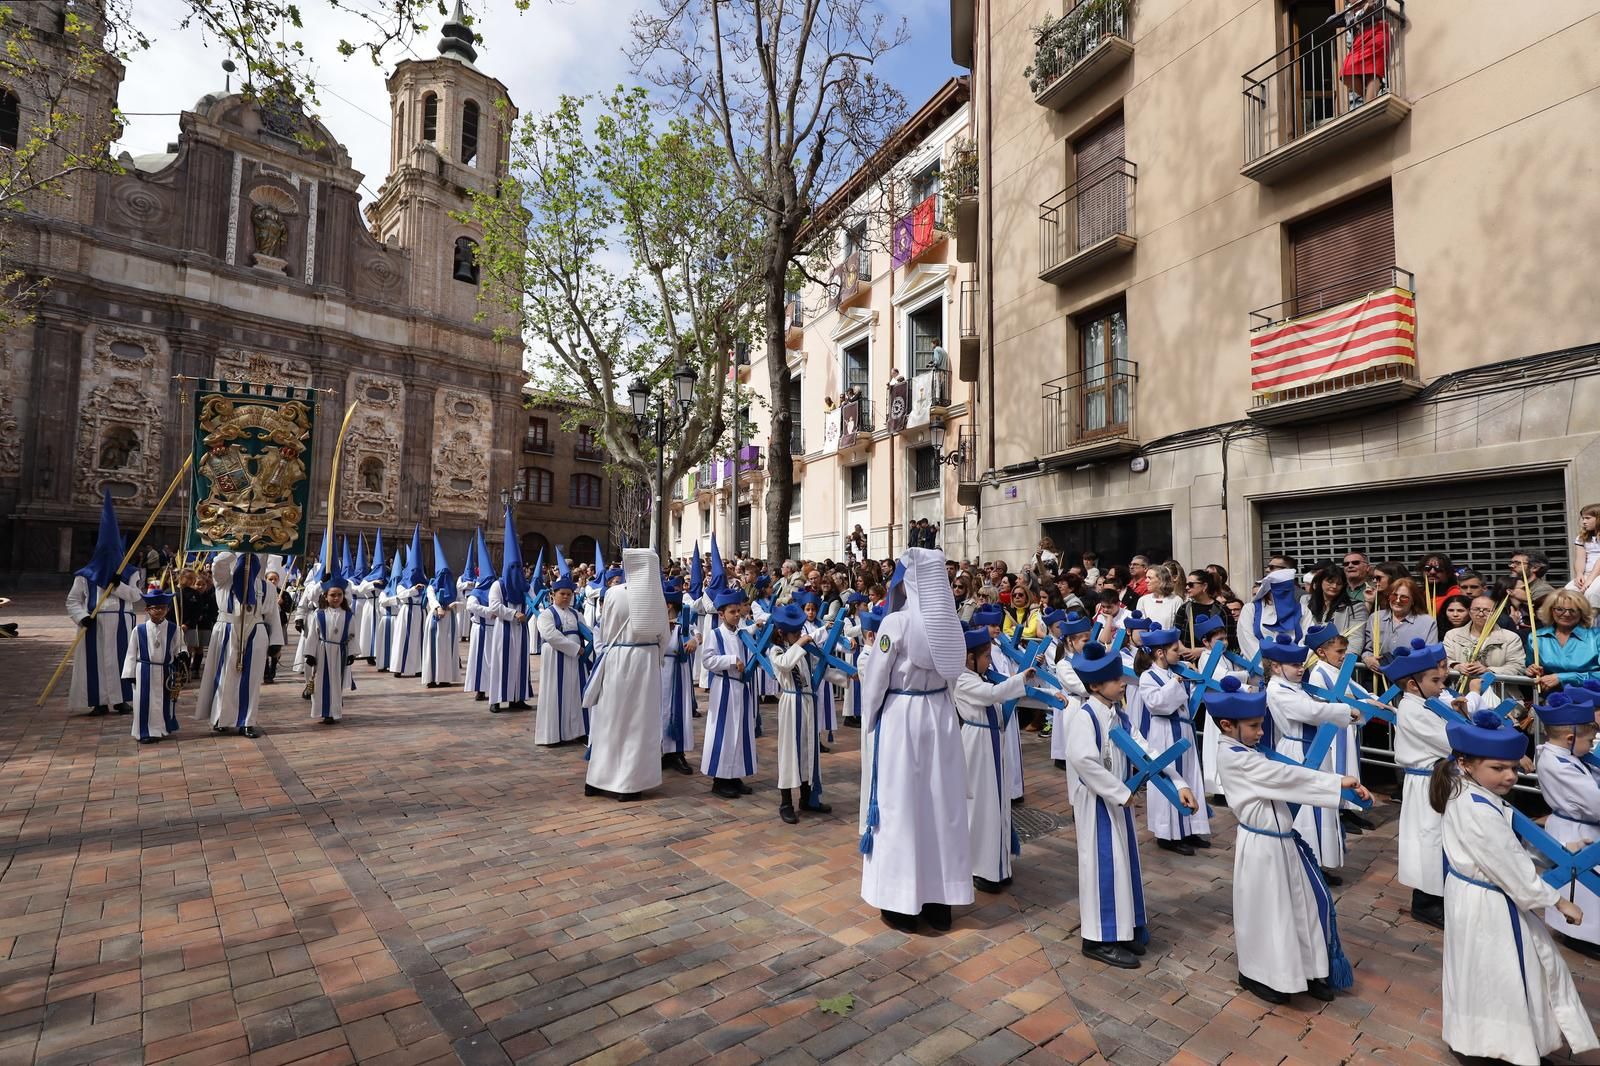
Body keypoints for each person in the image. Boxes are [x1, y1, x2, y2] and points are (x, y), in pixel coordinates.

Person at [1431, 709, 1598, 1064]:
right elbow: (1509, 865)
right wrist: (1558, 902)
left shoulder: (1469, 791)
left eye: (1512, 767)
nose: (1509, 775)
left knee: (1481, 973)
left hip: (1477, 899)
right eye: (1498, 768)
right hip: (1490, 905)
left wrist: (1560, 849)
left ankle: (1483, 1042)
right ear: (1465, 764)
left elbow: (1506, 849)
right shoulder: (1477, 808)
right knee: (1504, 975)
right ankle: (1504, 1050)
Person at [1208, 676, 1367, 1006]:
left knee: (1300, 908)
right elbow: (1284, 776)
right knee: (1269, 914)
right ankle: (1260, 973)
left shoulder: (1248, 749)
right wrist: (1338, 782)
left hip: (1282, 842)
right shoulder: (1235, 756)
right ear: (1227, 725)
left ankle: (1307, 969)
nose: (1261, 732)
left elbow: (1284, 773)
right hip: (1262, 848)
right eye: (1254, 726)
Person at [1063, 641, 1195, 968]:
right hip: (1098, 803)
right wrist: (1119, 792)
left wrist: (1178, 783)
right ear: (1096, 686)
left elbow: (1146, 751)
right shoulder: (1085, 717)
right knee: (1103, 866)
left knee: (1122, 864)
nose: (1123, 683)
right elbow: (1082, 760)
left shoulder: (1118, 715)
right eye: (1115, 679)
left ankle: (1122, 929)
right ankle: (1098, 939)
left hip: (1118, 801)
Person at [858, 548, 971, 935]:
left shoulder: (896, 623)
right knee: (940, 806)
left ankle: (900, 902)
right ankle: (940, 901)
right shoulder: (950, 626)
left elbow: (877, 677)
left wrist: (870, 717)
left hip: (903, 717)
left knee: (901, 805)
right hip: (940, 716)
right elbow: (954, 676)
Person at [1261, 632, 1363, 883]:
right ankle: (1305, 862)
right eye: (1294, 665)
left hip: (1313, 749)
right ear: (1276, 667)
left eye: (1301, 664)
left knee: (1321, 806)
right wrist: (1345, 710)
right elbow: (1309, 711)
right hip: (1297, 751)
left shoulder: (1294, 686)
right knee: (1305, 810)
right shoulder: (1277, 689)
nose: (1300, 669)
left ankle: (1318, 862)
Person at [1379, 638, 1458, 929]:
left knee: (1438, 838)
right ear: (1413, 685)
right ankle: (1426, 902)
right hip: (1426, 785)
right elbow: (1448, 740)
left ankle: (1438, 895)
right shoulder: (1412, 709)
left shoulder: (1424, 705)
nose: (1441, 686)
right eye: (1435, 680)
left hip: (1436, 780)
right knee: (1429, 840)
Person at [583, 550, 669, 803]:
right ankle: (628, 784)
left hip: (617, 659)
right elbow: (664, 637)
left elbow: (605, 631)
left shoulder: (613, 593)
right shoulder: (656, 596)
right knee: (638, 723)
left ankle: (597, 779)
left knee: (610, 719)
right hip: (645, 663)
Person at [956, 626, 1034, 893]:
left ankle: (998, 865)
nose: (990, 662)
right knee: (981, 805)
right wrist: (1021, 678)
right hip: (976, 746)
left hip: (990, 743)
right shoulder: (963, 679)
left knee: (997, 804)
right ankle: (980, 867)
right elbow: (991, 695)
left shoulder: (980, 676)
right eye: (986, 656)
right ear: (970, 658)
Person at [1532, 693, 1600, 960]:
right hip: (1576, 830)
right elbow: (1595, 803)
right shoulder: (1557, 764)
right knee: (1582, 886)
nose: (1592, 745)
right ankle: (1581, 935)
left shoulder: (1566, 755)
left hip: (1582, 827)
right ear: (1570, 738)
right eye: (1590, 740)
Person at [66, 493, 142, 716]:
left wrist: (119, 587)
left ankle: (120, 700)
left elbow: (136, 596)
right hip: (94, 623)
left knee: (122, 660)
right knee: (95, 662)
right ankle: (98, 701)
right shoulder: (85, 575)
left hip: (121, 623)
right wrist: (82, 617)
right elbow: (73, 600)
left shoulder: (130, 573)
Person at [1137, 627, 1210, 855]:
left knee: (1189, 775)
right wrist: (1176, 683)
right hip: (1165, 731)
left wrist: (1192, 677)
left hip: (1184, 729)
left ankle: (1190, 827)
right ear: (1160, 653)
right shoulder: (1148, 677)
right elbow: (1156, 703)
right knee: (1170, 776)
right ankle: (1167, 834)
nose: (1180, 653)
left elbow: (1194, 694)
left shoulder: (1175, 670)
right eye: (1175, 650)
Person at [195, 552, 282, 739]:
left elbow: (273, 615)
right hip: (227, 630)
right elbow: (218, 563)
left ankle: (247, 721)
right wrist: (237, 547)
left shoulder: (267, 587)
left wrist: (276, 642)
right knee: (224, 677)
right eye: (244, 562)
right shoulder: (224, 581)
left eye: (251, 562)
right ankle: (221, 718)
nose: (247, 567)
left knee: (251, 680)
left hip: (255, 631)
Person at [768, 603, 830, 824]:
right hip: (790, 702)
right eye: (794, 632)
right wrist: (802, 642)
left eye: (799, 631)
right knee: (790, 751)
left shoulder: (801, 651)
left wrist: (846, 677)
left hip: (806, 701)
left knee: (807, 749)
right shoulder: (776, 651)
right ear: (782, 633)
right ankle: (786, 803)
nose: (798, 635)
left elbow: (819, 670)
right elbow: (784, 665)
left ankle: (807, 798)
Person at [701, 587, 757, 797]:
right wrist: (731, 660)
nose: (736, 615)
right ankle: (720, 779)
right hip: (724, 687)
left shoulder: (742, 634)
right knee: (724, 732)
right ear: (721, 614)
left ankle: (734, 775)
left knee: (739, 731)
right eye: (731, 612)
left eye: (738, 611)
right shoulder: (715, 634)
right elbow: (707, 660)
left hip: (741, 687)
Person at [123, 590, 186, 744]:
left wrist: (182, 654)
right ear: (147, 610)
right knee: (144, 702)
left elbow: (180, 646)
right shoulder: (139, 630)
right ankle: (145, 731)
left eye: (162, 607)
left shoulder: (174, 629)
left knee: (163, 701)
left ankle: (161, 728)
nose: (159, 611)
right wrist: (130, 673)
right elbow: (131, 652)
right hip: (144, 670)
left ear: (168, 609)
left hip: (165, 670)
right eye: (155, 608)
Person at [487, 511, 533, 713]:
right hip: (504, 629)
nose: (515, 571)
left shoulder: (525, 587)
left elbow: (535, 603)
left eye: (518, 567)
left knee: (520, 663)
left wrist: (533, 613)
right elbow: (494, 606)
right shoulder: (498, 585)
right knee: (501, 663)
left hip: (521, 631)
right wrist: (513, 614)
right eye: (512, 567)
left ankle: (517, 698)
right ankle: (496, 700)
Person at [535, 571, 586, 744]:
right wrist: (575, 648)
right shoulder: (546, 614)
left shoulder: (576, 614)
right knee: (554, 693)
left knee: (575, 692)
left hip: (575, 660)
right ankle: (553, 734)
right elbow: (550, 635)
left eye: (569, 594)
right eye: (562, 594)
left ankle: (577, 731)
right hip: (555, 657)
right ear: (553, 594)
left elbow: (588, 632)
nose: (565, 597)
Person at [303, 565, 356, 725]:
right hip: (322, 652)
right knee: (321, 682)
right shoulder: (319, 615)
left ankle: (334, 710)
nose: (336, 598)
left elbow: (352, 635)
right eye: (332, 595)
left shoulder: (348, 616)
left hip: (340, 652)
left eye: (339, 595)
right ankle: (324, 711)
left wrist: (352, 653)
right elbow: (313, 635)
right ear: (325, 596)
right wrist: (310, 654)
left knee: (336, 682)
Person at [1527, 589, 1600, 693]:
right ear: (1551, 610)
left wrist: (1563, 678)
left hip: (1591, 697)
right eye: (1559, 609)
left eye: (1573, 610)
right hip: (1550, 698)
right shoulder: (1536, 637)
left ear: (1581, 612)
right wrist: (1532, 671)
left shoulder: (1596, 637)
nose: (1566, 614)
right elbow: (1531, 669)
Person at [1361, 578, 1437, 673]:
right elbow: (1366, 649)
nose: (1397, 600)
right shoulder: (1375, 617)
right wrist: (1367, 658)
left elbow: (1430, 654)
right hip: (1379, 675)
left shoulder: (1427, 622)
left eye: (1404, 597)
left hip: (1412, 675)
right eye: (1394, 595)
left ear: (1413, 600)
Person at [1444, 594, 1528, 679]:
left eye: (1487, 610)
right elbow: (1444, 661)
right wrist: (1457, 666)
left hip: (1496, 686)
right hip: (1460, 685)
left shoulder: (1510, 638)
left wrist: (1489, 670)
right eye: (1476, 609)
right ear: (1469, 612)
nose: (1481, 614)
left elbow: (1518, 667)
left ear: (1496, 613)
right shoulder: (1452, 635)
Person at [660, 580, 697, 775]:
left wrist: (694, 640)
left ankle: (677, 752)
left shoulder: (683, 623)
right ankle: (661, 751)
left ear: (668, 605)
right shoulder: (656, 624)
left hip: (678, 672)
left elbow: (697, 634)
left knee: (679, 710)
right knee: (660, 711)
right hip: (659, 671)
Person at [1300, 564, 1368, 659]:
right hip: (1306, 657)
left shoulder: (1356, 606)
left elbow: (1356, 639)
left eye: (1339, 583)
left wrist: (1347, 662)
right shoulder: (1305, 601)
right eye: (1330, 582)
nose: (1334, 586)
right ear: (1320, 582)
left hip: (1338, 659)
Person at [422, 536, 462, 688]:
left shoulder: (454, 588)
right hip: (435, 619)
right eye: (442, 574)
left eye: (447, 574)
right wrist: (438, 607)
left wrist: (454, 605)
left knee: (447, 648)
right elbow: (431, 598)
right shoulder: (431, 587)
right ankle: (431, 678)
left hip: (450, 620)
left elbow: (463, 602)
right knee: (434, 647)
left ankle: (445, 678)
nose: (444, 578)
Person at [1571, 503, 1600, 611]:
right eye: (1583, 518)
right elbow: (1580, 558)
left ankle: (1590, 620)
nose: (1584, 521)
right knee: (1569, 592)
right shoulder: (1581, 537)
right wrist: (1579, 574)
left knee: (1591, 594)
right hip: (1587, 573)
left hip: (1597, 574)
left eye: (1588, 518)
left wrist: (1590, 580)